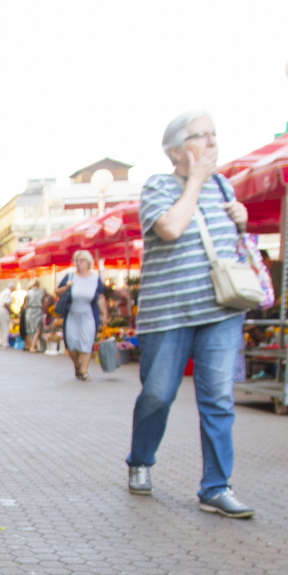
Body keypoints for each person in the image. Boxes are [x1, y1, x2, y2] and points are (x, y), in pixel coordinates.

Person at [125, 110, 254, 516]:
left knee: (218, 399)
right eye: (202, 135)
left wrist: (242, 220)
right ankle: (140, 460)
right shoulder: (159, 186)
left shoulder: (224, 186)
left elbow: (230, 246)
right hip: (168, 315)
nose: (213, 142)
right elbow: (170, 228)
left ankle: (216, 487)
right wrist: (195, 182)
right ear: (176, 150)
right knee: (157, 395)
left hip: (221, 310)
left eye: (215, 134)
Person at [55, 250, 106, 379]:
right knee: (71, 344)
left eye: (81, 260)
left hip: (89, 315)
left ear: (89, 262)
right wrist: (66, 287)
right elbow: (57, 292)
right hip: (72, 315)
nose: (78, 263)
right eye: (76, 260)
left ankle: (84, 371)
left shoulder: (95, 278)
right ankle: (77, 365)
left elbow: (101, 297)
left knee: (87, 343)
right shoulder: (70, 276)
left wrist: (104, 314)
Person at [20, 279, 45, 351]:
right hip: (38, 310)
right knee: (38, 328)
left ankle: (31, 345)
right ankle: (33, 346)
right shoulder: (42, 292)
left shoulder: (28, 292)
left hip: (29, 310)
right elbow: (43, 302)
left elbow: (26, 304)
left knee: (30, 328)